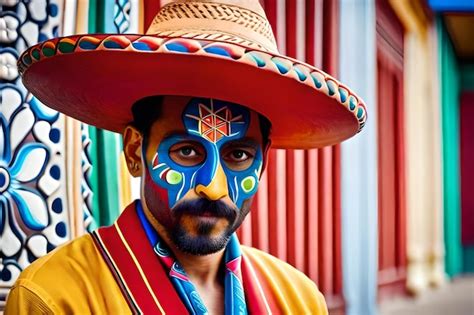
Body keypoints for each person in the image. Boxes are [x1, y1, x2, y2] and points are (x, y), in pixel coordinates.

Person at [6, 0, 366, 314]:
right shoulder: (55, 299)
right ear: (135, 151)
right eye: (188, 151)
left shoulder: (298, 300)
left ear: (264, 162)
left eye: (238, 154)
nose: (213, 186)